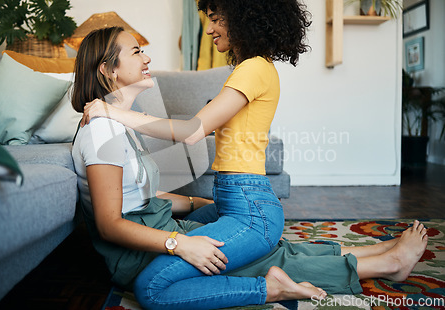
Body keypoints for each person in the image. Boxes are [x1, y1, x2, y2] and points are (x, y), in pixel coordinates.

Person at [72, 27, 429, 310]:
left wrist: (198, 208)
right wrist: (180, 243)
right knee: (157, 288)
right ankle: (275, 287)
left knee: (252, 247)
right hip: (141, 248)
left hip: (158, 227)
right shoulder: (102, 127)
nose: (147, 56)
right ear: (107, 69)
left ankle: (376, 255)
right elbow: (110, 222)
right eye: (136, 51)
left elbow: (141, 197)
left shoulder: (116, 124)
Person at [81, 0, 309, 307]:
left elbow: (192, 132)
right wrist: (193, 211)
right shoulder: (251, 68)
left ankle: (284, 283)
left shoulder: (253, 68)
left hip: (249, 200)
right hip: (238, 196)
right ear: (107, 69)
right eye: (210, 18)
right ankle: (375, 257)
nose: (210, 28)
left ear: (243, 16)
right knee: (221, 243)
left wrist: (116, 112)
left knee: (155, 285)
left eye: (217, 18)